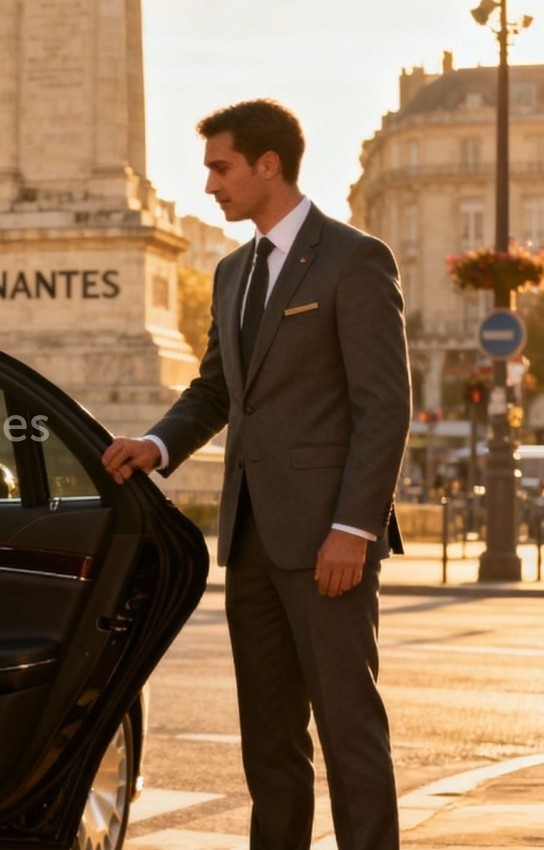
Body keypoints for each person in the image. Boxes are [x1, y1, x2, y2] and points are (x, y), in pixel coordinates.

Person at [102, 99, 410, 850]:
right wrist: (158, 442)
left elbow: (384, 404)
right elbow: (216, 388)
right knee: (268, 741)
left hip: (328, 541)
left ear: (268, 164)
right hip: (249, 539)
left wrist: (353, 527)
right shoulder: (232, 270)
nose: (210, 185)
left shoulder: (354, 258)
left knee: (349, 734)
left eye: (221, 167)